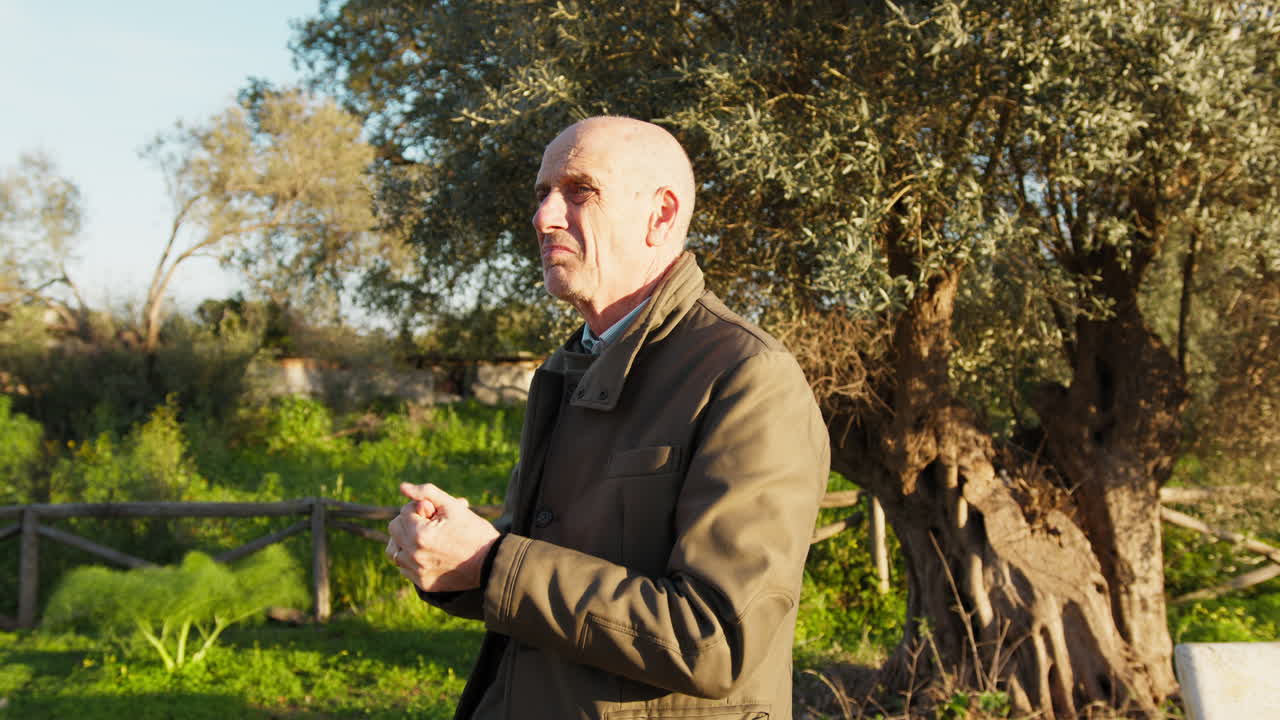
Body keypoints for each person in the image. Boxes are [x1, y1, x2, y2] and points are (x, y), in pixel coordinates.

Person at [385, 116, 830, 720]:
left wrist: (492, 563)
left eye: (579, 190)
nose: (543, 218)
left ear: (662, 214)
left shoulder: (747, 376)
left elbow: (716, 638)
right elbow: (547, 582)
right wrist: (454, 560)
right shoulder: (568, 368)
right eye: (542, 193)